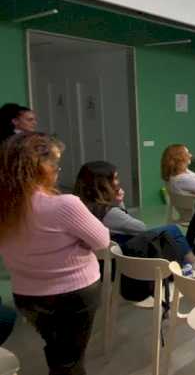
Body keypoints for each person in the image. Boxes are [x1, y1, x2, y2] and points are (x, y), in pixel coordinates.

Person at [0, 133, 109, 374]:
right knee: (71, 361)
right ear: (37, 167)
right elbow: (102, 241)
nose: (58, 170)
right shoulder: (65, 205)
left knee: (57, 347)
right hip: (73, 295)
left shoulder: (5, 206)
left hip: (27, 295)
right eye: (55, 163)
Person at [74, 160, 195, 274]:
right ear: (103, 184)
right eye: (115, 178)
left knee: (170, 233)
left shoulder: (81, 205)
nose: (118, 182)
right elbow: (140, 228)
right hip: (127, 259)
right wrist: (118, 202)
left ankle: (188, 263)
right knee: (171, 231)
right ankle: (192, 263)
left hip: (104, 260)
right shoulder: (110, 212)